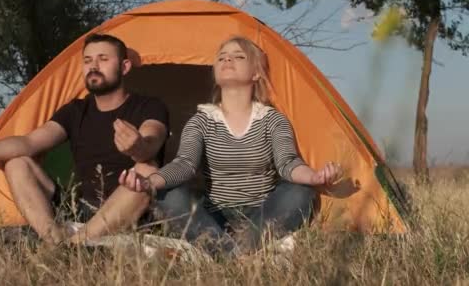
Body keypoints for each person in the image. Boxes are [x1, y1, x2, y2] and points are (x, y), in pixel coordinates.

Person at [118, 36, 343, 255]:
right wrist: (149, 182)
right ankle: (242, 255)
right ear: (215, 73)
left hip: (262, 214)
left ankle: (225, 253)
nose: (227, 60)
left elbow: (288, 164)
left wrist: (314, 178)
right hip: (213, 217)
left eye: (238, 57)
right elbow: (185, 164)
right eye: (222, 57)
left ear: (256, 73)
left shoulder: (272, 119)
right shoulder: (201, 120)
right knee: (167, 195)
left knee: (301, 192)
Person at [0, 33, 170, 244]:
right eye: (88, 60)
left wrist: (137, 146)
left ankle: (76, 244)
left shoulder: (149, 106)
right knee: (16, 161)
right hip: (82, 207)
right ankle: (54, 239)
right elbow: (28, 143)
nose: (93, 66)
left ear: (124, 66)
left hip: (129, 207)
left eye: (103, 59)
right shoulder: (75, 110)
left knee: (147, 169)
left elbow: (152, 140)